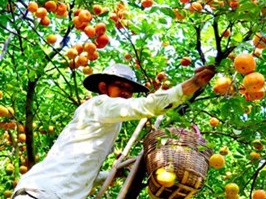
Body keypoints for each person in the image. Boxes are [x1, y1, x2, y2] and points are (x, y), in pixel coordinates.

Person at [13, 63, 216, 199]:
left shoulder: (107, 123)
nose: (126, 92)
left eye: (130, 89)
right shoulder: (100, 104)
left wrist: (111, 174)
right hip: (42, 193)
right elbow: (146, 106)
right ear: (103, 87)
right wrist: (191, 85)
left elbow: (82, 172)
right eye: (120, 86)